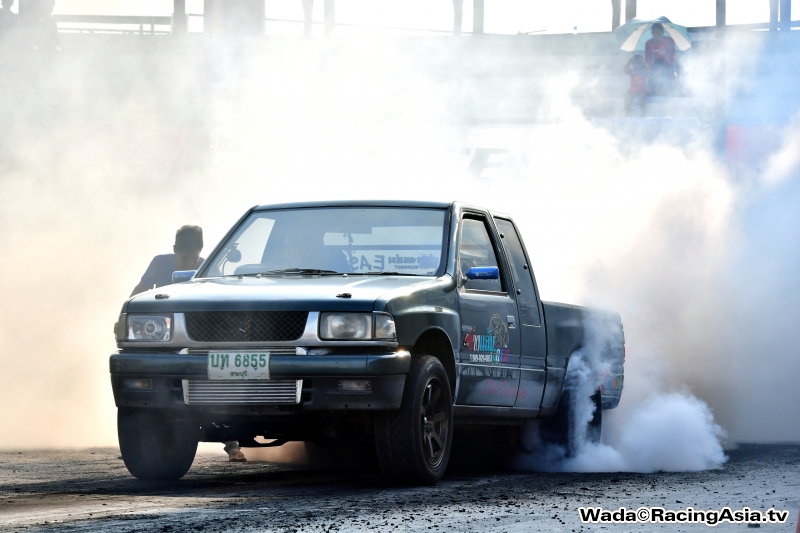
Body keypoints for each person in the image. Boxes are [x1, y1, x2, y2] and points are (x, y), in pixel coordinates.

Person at [131, 225, 247, 463]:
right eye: (185, 258)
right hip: (164, 340)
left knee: (218, 389)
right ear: (175, 249)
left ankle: (233, 444)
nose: (190, 263)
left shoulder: (208, 268)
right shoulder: (159, 264)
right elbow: (138, 293)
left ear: (201, 251)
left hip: (200, 339)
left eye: (194, 258)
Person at [644, 22, 676, 95]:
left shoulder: (669, 41)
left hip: (667, 63)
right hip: (654, 64)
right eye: (654, 32)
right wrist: (650, 68)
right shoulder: (649, 43)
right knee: (647, 71)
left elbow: (672, 55)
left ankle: (672, 91)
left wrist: (665, 65)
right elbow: (648, 58)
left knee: (672, 71)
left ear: (662, 32)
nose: (656, 33)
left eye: (658, 31)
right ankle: (650, 90)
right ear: (652, 33)